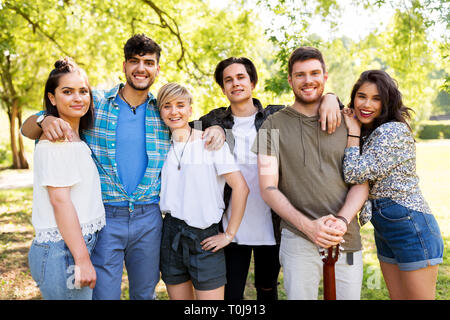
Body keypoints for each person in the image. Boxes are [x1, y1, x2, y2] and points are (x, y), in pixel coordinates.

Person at [20, 34, 225, 300]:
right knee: (104, 295)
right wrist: (44, 118)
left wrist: (218, 127)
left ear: (157, 68)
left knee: (144, 293)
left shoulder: (163, 112)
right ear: (125, 66)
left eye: (149, 62)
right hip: (107, 216)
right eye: (135, 61)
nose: (141, 68)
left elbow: (192, 125)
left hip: (149, 217)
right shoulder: (94, 104)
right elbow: (28, 128)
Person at [194, 57, 344, 300]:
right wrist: (212, 129)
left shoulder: (275, 116)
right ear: (223, 88)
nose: (236, 84)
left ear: (252, 82)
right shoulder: (215, 119)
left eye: (241, 77)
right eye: (228, 80)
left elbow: (313, 105)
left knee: (267, 287)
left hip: (272, 223)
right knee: (231, 293)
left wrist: (330, 97)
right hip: (231, 225)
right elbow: (178, 126)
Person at [252, 46, 369, 300]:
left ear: (325, 77)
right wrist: (308, 227)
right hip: (297, 240)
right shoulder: (271, 125)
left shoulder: (349, 121)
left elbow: (361, 182)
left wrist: (341, 221)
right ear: (290, 80)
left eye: (315, 73)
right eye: (300, 74)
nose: (308, 80)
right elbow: (267, 187)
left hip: (346, 239)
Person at [342, 70, 444, 300]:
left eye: (376, 98)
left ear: (387, 102)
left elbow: (354, 172)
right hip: (387, 227)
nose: (367, 104)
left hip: (411, 226)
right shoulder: (374, 131)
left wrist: (354, 132)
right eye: (361, 96)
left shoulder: (392, 131)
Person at [157, 83, 249, 299]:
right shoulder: (162, 146)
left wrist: (229, 235)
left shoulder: (210, 142)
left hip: (205, 236)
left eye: (180, 105)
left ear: (190, 109)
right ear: (160, 111)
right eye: (167, 106)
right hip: (171, 234)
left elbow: (241, 188)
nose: (174, 111)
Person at [28, 58, 105, 300]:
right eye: (67, 92)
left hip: (72, 246)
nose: (78, 98)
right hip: (62, 252)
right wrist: (81, 260)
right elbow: (60, 201)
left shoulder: (75, 138)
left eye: (83, 91)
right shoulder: (56, 141)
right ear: (52, 98)